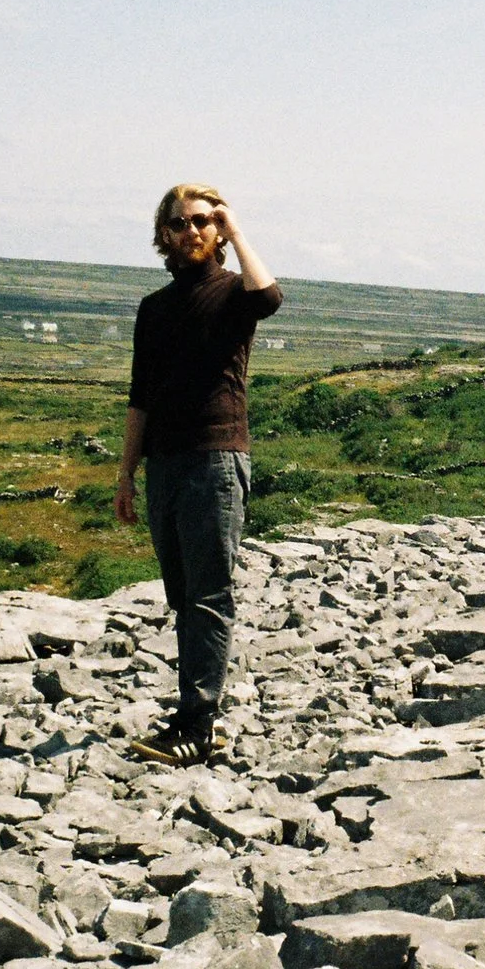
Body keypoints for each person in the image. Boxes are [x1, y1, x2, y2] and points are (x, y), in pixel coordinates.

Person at [116, 183, 282, 765]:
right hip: (165, 463)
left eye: (203, 222)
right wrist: (126, 472)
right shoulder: (154, 308)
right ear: (164, 233)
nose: (191, 231)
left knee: (209, 594)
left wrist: (238, 232)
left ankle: (195, 725)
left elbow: (270, 297)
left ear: (216, 232)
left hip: (215, 459)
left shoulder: (233, 291)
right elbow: (140, 397)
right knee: (183, 595)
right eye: (180, 222)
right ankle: (197, 713)